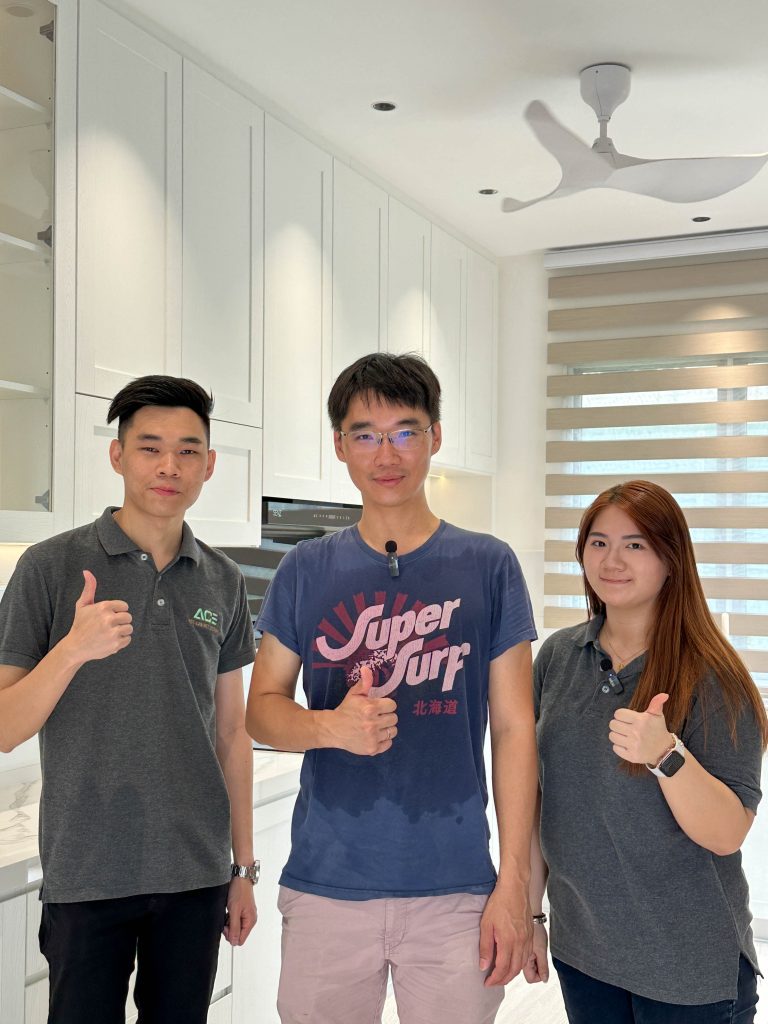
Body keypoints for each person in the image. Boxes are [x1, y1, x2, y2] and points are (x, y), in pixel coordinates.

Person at [246, 352, 539, 1024]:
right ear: (340, 446)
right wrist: (329, 727)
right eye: (366, 435)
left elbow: (514, 728)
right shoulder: (304, 568)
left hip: (456, 888)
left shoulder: (488, 565)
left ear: (435, 437)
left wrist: (516, 883)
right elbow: (261, 711)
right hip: (327, 884)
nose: (387, 454)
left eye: (406, 431)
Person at [0, 376, 258, 1024]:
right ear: (117, 455)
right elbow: (4, 728)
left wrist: (242, 869)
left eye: (188, 450)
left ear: (209, 465)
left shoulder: (224, 580)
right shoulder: (49, 567)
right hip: (87, 869)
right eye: (150, 447)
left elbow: (232, 734)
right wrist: (72, 650)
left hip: (196, 872)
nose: (169, 466)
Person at [527, 479, 768, 1023]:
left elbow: (728, 832)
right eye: (598, 542)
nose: (612, 560)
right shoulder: (559, 657)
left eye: (635, 544)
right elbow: (543, 804)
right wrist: (531, 916)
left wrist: (665, 755)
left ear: (670, 559)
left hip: (688, 969)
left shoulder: (714, 677)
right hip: (584, 953)